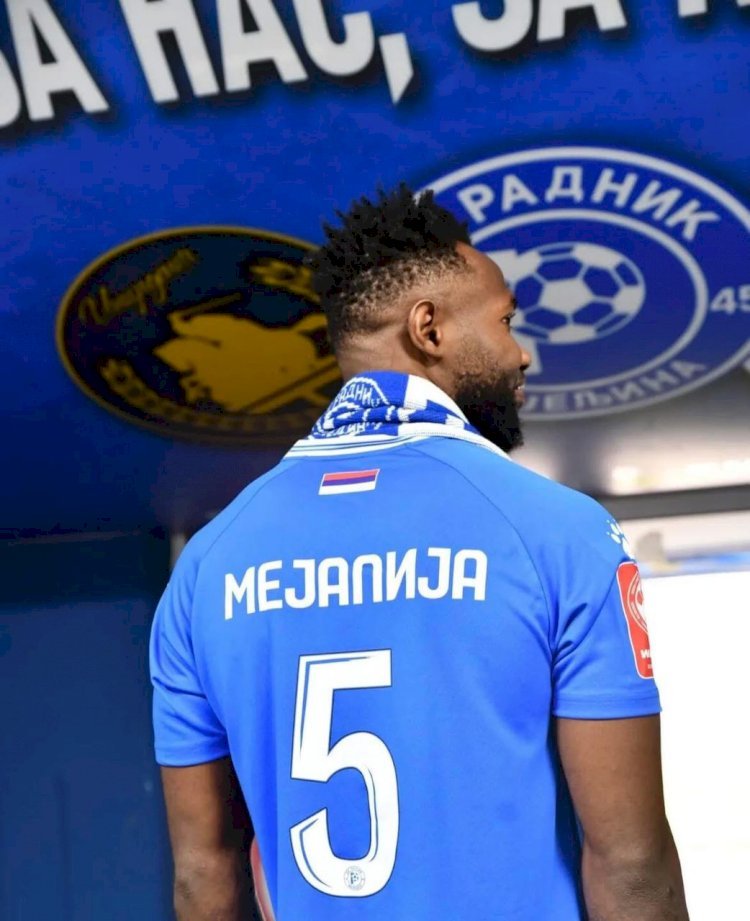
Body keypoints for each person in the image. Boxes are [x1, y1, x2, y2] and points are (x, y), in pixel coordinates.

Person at [150, 185, 689, 920]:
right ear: (428, 328)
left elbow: (201, 874)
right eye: (505, 321)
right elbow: (630, 865)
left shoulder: (208, 565)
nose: (522, 353)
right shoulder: (559, 531)